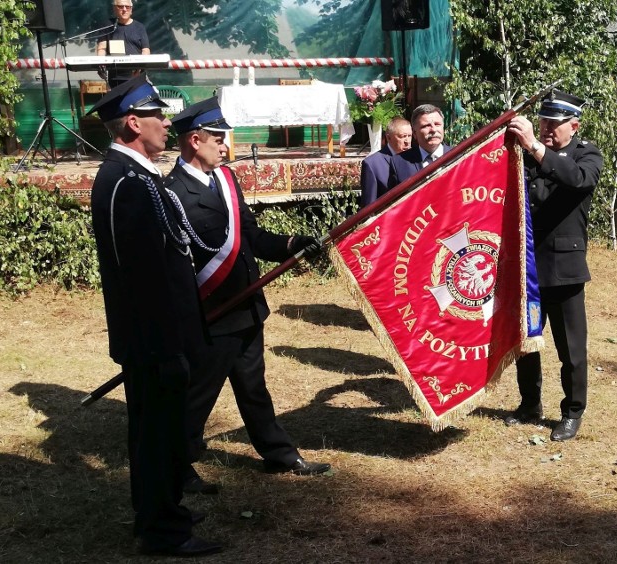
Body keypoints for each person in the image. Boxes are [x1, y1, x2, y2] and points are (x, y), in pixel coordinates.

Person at [164, 97, 331, 494]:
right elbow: (175, 264)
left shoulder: (226, 179)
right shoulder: (172, 193)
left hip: (247, 305)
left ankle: (279, 454)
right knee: (198, 395)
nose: (225, 147)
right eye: (217, 139)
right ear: (193, 140)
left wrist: (291, 243)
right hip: (212, 312)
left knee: (253, 386)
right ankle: (176, 466)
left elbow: (249, 237)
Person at [88, 75, 222, 557]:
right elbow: (140, 279)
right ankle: (164, 530)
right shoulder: (126, 182)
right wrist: (166, 348)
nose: (167, 123)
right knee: (155, 436)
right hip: (153, 341)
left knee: (159, 435)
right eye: (157, 115)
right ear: (132, 122)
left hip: (161, 337)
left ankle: (166, 511)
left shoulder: (139, 176)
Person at [504, 89, 603, 442]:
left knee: (571, 349)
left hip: (564, 269)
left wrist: (534, 146)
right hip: (527, 267)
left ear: (574, 125)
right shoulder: (526, 153)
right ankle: (530, 403)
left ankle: (573, 412)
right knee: (527, 341)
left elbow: (577, 179)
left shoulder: (586, 154)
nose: (546, 129)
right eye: (543, 122)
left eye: (554, 124)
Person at [386, 104, 452, 188]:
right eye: (426, 126)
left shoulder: (458, 157)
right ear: (414, 133)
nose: (433, 130)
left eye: (437, 124)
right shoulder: (399, 163)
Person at [359, 116, 412, 207]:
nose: (407, 141)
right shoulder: (373, 164)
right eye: (402, 136)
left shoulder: (416, 158)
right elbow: (369, 206)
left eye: (409, 136)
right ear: (389, 137)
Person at [96, 0, 150, 88]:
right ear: (114, 8)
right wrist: (100, 64)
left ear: (131, 10)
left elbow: (145, 50)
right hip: (116, 77)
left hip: (137, 75)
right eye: (121, 7)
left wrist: (140, 65)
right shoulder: (108, 26)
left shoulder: (139, 27)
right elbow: (102, 48)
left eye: (127, 7)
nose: (124, 9)